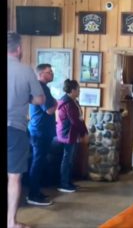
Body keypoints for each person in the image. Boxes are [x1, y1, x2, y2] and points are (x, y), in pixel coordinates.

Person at [8, 31, 45, 228]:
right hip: (15, 129)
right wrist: (26, 98)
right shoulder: (26, 70)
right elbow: (40, 99)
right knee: (14, 177)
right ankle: (10, 222)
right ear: (19, 49)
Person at [27, 64, 57, 206]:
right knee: (37, 162)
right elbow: (49, 110)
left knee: (39, 161)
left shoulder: (41, 87)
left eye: (52, 72)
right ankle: (33, 194)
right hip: (40, 131)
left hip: (40, 130)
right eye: (49, 72)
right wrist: (56, 103)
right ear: (40, 74)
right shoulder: (41, 88)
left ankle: (36, 191)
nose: (52, 74)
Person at [56, 79, 88, 193]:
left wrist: (84, 131)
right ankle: (64, 183)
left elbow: (79, 119)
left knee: (70, 159)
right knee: (67, 159)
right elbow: (74, 120)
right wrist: (84, 132)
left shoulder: (73, 101)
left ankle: (68, 181)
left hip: (72, 134)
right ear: (73, 90)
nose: (79, 91)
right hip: (68, 134)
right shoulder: (68, 103)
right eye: (78, 89)